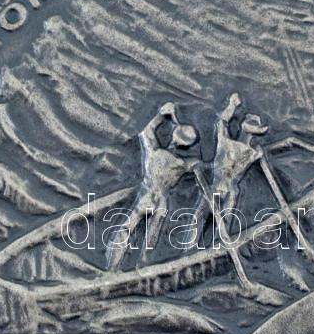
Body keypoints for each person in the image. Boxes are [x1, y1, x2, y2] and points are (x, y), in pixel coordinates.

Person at [107, 102, 197, 270]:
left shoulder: (155, 152)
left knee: (126, 230)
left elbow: (146, 132)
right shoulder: (183, 164)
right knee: (150, 241)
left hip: (147, 197)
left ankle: (112, 268)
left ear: (173, 136)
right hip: (162, 203)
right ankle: (142, 268)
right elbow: (199, 165)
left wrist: (161, 115)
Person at [182, 93, 269, 249]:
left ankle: (191, 247)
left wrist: (232, 105)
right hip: (230, 190)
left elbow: (222, 122)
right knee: (222, 224)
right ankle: (217, 246)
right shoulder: (254, 153)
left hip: (216, 187)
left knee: (200, 219)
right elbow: (222, 124)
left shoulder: (226, 142)